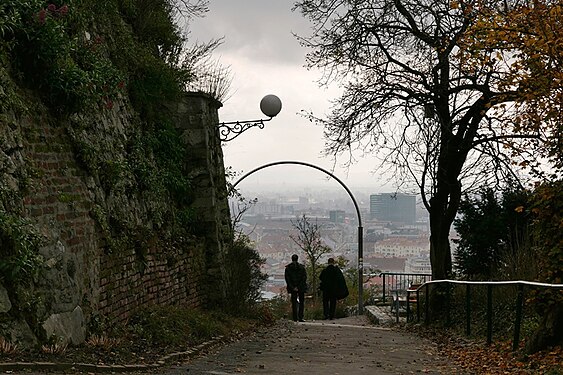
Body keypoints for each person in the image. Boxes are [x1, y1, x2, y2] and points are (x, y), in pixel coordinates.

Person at [284, 254, 307, 322]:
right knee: (301, 302)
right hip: (301, 287)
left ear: (292, 259)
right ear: (297, 259)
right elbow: (304, 278)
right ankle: (300, 317)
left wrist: (293, 287)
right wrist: (299, 286)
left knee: (294, 302)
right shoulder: (302, 268)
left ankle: (295, 317)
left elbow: (287, 279)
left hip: (292, 288)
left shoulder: (288, 268)